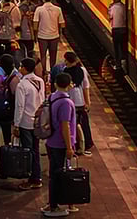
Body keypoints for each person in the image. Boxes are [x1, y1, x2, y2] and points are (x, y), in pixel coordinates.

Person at [42, 72, 77, 218]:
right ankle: (53, 206)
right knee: (59, 175)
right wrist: (69, 147)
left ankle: (54, 202)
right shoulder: (66, 103)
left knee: (54, 174)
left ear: (56, 84)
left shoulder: (52, 97)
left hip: (51, 141)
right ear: (69, 85)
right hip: (60, 144)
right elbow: (65, 126)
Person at [13, 56, 45, 191]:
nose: (20, 68)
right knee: (35, 150)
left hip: (25, 122)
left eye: (21, 66)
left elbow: (20, 106)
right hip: (37, 121)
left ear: (25, 69)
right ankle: (37, 177)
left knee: (28, 151)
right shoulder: (40, 81)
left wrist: (16, 124)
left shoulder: (22, 85)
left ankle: (32, 177)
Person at [62, 52, 94, 155]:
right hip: (73, 100)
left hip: (77, 101)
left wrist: (87, 102)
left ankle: (83, 143)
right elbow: (85, 87)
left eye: (66, 60)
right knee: (77, 123)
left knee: (79, 123)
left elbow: (85, 87)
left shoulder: (80, 71)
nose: (65, 62)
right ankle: (79, 143)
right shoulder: (67, 70)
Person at [34, 0, 66, 71]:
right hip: (54, 36)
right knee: (53, 55)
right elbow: (62, 24)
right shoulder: (58, 9)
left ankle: (44, 71)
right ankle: (52, 71)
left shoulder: (39, 9)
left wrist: (35, 35)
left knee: (43, 55)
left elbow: (35, 24)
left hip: (42, 36)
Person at [109, 0, 129, 73]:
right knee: (123, 48)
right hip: (123, 30)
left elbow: (110, 17)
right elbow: (125, 18)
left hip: (115, 30)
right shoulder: (124, 7)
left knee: (116, 49)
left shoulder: (112, 7)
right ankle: (125, 66)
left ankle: (118, 65)